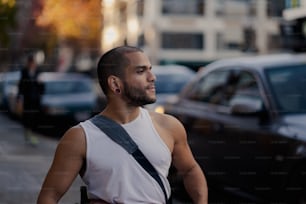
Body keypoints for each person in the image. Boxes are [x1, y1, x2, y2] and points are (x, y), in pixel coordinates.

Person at [37, 46, 208, 204]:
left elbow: (190, 170)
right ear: (115, 84)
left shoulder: (169, 126)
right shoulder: (80, 138)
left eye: (150, 69)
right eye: (141, 71)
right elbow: (49, 196)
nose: (152, 77)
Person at [17, 54, 44, 146]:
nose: (32, 64)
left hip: (36, 99)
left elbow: (42, 87)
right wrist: (19, 98)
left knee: (34, 117)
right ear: (29, 63)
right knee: (27, 117)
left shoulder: (38, 72)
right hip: (27, 99)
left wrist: (40, 85)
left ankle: (31, 134)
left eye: (33, 62)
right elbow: (21, 86)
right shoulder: (24, 72)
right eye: (31, 62)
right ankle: (28, 133)